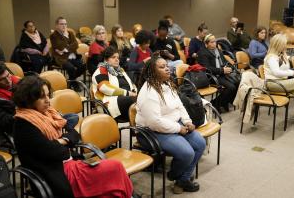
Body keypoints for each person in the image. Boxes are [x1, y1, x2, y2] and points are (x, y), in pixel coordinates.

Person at [13, 75, 133, 198]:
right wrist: (65, 141)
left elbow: (74, 134)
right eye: (41, 97)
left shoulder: (48, 113)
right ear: (28, 99)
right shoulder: (24, 124)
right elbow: (58, 152)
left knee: (114, 181)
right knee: (115, 168)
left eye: (48, 95)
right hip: (58, 173)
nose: (48, 100)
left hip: (69, 164)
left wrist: (61, 140)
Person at [136, 57, 206, 194]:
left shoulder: (166, 84)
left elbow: (179, 105)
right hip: (151, 131)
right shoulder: (148, 92)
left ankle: (182, 179)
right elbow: (155, 122)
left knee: (200, 144)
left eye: (167, 66)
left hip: (173, 124)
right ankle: (174, 175)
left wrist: (187, 121)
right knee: (187, 153)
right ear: (152, 72)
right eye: (162, 67)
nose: (167, 68)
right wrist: (178, 128)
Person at [264, 34, 294, 129]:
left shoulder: (281, 55)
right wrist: (293, 72)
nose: (286, 46)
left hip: (282, 82)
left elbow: (285, 67)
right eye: (284, 44)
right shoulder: (271, 57)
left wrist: (288, 58)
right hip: (272, 83)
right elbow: (276, 72)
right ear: (278, 44)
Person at [92, 46, 137, 122]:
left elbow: (131, 84)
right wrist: (128, 93)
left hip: (124, 101)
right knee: (135, 101)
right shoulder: (102, 70)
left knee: (142, 101)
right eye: (113, 57)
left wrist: (135, 91)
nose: (117, 60)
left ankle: (138, 130)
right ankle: (138, 130)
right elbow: (105, 88)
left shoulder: (120, 70)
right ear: (106, 59)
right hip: (108, 103)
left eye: (118, 58)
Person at [197, 34, 239, 112]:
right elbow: (207, 68)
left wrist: (227, 68)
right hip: (211, 76)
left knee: (237, 82)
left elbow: (224, 62)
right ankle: (215, 103)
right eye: (212, 42)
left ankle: (225, 102)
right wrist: (222, 70)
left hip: (221, 74)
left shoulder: (218, 51)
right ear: (206, 44)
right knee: (231, 87)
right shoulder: (202, 53)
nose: (214, 44)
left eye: (215, 41)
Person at [50, 17, 86, 90]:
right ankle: (75, 84)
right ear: (56, 25)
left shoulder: (70, 33)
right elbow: (60, 46)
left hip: (73, 57)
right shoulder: (53, 35)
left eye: (65, 24)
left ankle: (70, 81)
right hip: (62, 58)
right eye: (62, 24)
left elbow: (76, 44)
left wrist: (66, 49)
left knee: (84, 66)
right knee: (71, 68)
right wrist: (65, 37)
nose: (64, 26)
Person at [0, 61, 19, 137]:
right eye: (2, 79)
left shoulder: (19, 82)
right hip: (15, 130)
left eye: (8, 75)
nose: (8, 81)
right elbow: (4, 122)